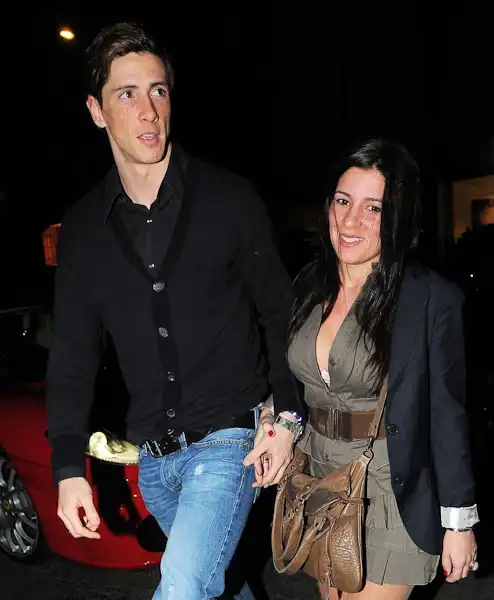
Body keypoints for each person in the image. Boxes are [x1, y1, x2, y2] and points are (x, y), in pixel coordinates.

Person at [46, 22, 301, 600]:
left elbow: (279, 313)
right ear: (96, 111)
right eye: (126, 94)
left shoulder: (230, 199)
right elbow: (71, 358)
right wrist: (67, 468)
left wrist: (287, 416)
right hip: (155, 463)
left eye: (157, 90)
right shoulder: (83, 230)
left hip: (229, 441)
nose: (148, 111)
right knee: (216, 586)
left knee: (182, 587)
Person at [284, 138, 479, 599]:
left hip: (391, 486)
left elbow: (447, 414)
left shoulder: (428, 298)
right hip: (319, 479)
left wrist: (458, 520)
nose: (351, 220)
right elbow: (292, 382)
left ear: (398, 218)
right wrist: (279, 424)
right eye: (343, 201)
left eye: (373, 208)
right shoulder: (309, 286)